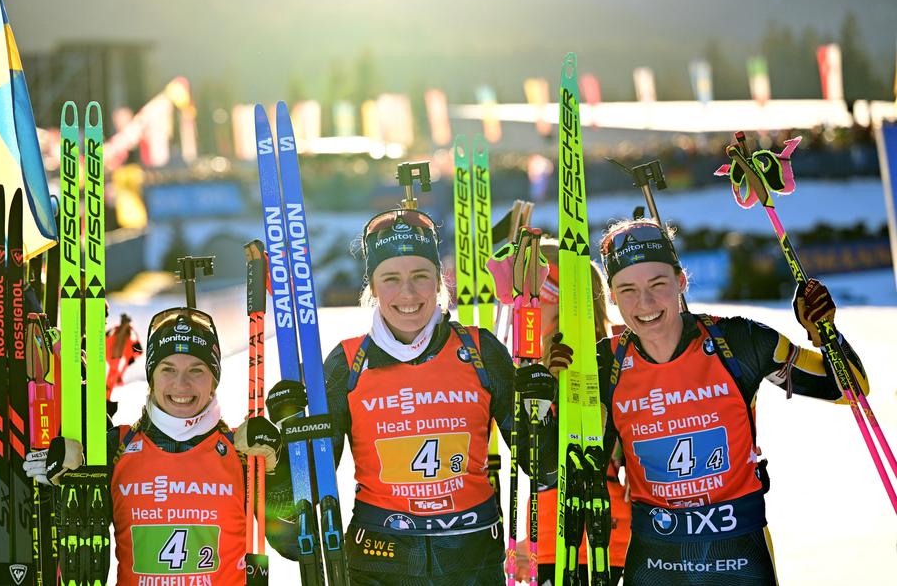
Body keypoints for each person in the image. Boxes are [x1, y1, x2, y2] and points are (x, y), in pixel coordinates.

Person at [555, 218, 868, 585]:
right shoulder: (603, 365)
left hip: (740, 554)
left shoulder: (738, 341)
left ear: (681, 281)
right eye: (628, 290)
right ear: (611, 295)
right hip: (656, 560)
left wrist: (825, 333)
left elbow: (849, 390)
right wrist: (550, 393)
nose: (645, 303)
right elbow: (572, 467)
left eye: (658, 284)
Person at [264, 207, 557, 585]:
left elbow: (545, 469)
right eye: (391, 279)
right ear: (372, 287)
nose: (408, 293)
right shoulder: (347, 364)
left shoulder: (480, 352)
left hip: (471, 565)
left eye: (421, 276)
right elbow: (293, 528)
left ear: (438, 281)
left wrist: (542, 411)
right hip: (378, 567)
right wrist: (285, 443)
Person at [25, 301, 283, 585]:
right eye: (167, 369)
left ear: (214, 380)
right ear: (151, 377)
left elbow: (292, 541)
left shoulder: (243, 451)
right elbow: (76, 547)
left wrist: (278, 472)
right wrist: (57, 484)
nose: (181, 384)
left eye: (196, 370)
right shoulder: (115, 447)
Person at [509, 239, 631, 585]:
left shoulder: (609, 358)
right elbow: (541, 463)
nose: (525, 308)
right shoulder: (537, 363)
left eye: (534, 297)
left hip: (603, 538)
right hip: (552, 537)